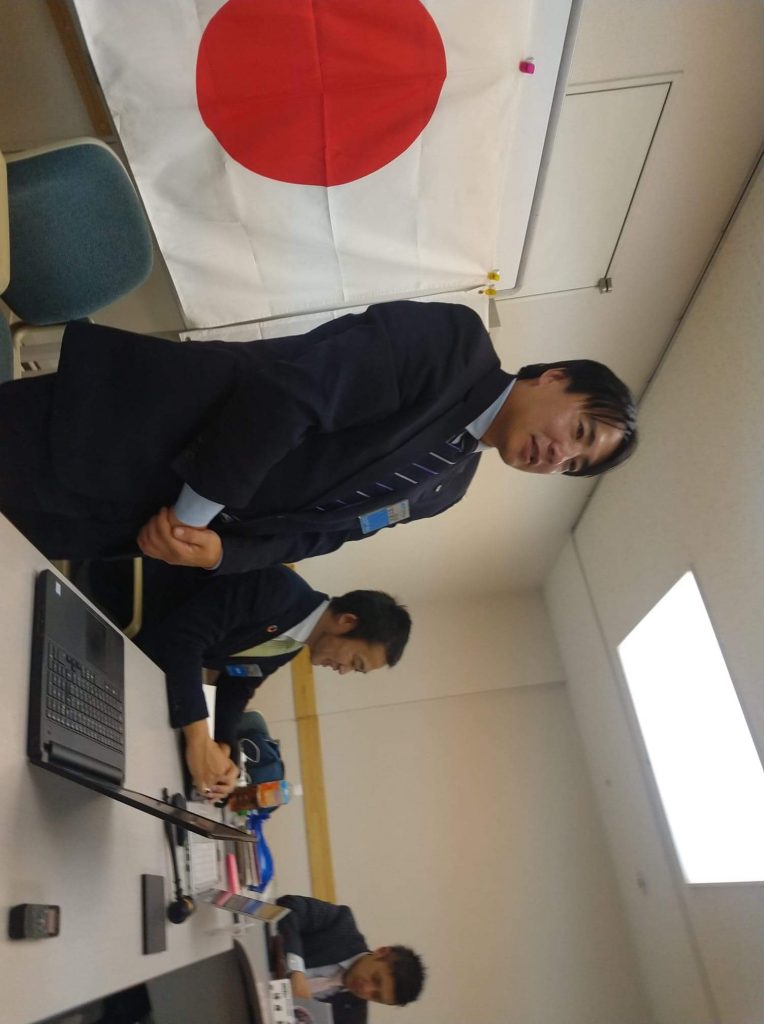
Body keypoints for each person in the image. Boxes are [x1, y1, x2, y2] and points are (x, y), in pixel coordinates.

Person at [0, 301, 637, 573]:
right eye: (579, 430)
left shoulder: (447, 487)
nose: (560, 455)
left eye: (574, 465)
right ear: (553, 378)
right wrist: (194, 516)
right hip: (121, 433)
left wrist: (220, 555)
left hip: (142, 528)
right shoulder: (454, 347)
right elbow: (290, 398)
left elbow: (323, 534)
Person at [79, 560, 411, 800]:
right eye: (355, 661)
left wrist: (225, 750)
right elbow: (186, 638)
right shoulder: (280, 590)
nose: (344, 670)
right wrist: (199, 741)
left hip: (144, 654)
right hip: (121, 602)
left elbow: (237, 686)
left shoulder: (291, 644)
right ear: (347, 621)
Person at [275, 894, 425, 1024]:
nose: (365, 989)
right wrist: (296, 972)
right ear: (381, 952)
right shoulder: (340, 924)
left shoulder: (353, 1018)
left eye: (376, 996)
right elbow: (288, 907)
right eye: (376, 979)